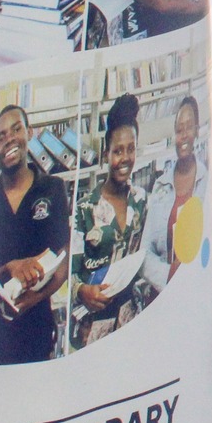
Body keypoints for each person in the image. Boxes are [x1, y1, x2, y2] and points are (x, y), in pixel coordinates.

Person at [0, 103, 70, 364]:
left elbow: (63, 263)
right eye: (0, 137)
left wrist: (33, 299)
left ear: (29, 133)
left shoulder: (53, 189)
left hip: (36, 337)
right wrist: (8, 268)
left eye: (16, 130)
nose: (9, 139)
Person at [71, 93, 148, 347]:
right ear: (106, 154)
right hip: (93, 330)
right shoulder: (85, 208)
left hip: (131, 323)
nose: (124, 158)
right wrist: (81, 291)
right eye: (117, 151)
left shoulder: (142, 201)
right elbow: (68, 275)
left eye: (130, 149)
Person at [140, 94, 204, 296]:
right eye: (178, 130)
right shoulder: (160, 185)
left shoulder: (209, 182)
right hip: (163, 293)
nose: (183, 135)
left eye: (189, 128)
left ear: (197, 131)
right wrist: (168, 275)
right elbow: (144, 253)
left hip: (197, 291)